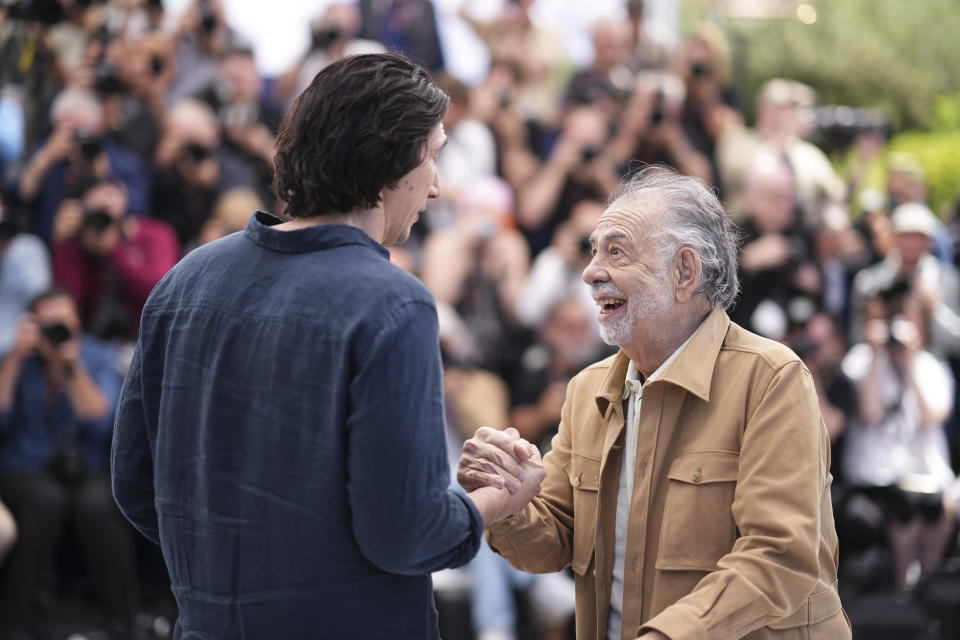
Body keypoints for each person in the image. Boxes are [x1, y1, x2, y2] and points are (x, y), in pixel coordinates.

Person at [110, 53, 543, 639]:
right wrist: (497, 500)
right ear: (390, 161)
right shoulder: (394, 303)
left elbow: (137, 486)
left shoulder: (185, 280)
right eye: (433, 155)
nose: (438, 185)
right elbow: (407, 534)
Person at [458, 166, 851, 640]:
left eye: (616, 251)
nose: (590, 272)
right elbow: (553, 542)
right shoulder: (587, 390)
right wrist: (507, 502)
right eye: (593, 250)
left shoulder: (771, 379)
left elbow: (778, 557)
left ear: (685, 272)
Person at [0, 288, 138, 637]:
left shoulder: (96, 355)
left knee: (97, 505)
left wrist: (71, 366)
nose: (58, 333)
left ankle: (121, 620)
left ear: (78, 322)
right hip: (26, 468)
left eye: (65, 324)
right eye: (50, 325)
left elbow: (102, 418)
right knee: (45, 500)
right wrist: (15, 359)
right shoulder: (17, 358)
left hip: (88, 465)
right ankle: (14, 622)